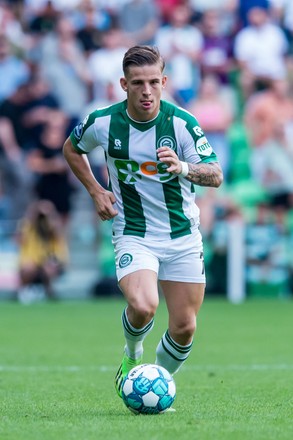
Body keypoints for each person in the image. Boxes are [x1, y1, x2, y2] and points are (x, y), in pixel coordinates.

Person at [63, 45, 223, 402]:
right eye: (138, 83)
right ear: (124, 83)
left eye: (153, 82)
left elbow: (215, 175)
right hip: (134, 232)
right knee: (143, 305)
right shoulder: (102, 122)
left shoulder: (181, 123)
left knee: (184, 327)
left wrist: (182, 167)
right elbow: (72, 148)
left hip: (182, 235)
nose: (146, 91)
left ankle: (154, 386)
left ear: (164, 81)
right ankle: (132, 356)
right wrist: (96, 190)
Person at [17, 199, 69, 302]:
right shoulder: (28, 226)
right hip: (31, 260)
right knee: (29, 268)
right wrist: (35, 213)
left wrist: (50, 214)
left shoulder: (52, 229)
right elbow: (21, 238)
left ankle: (48, 291)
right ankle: (23, 291)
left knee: (49, 267)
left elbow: (58, 238)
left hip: (48, 260)